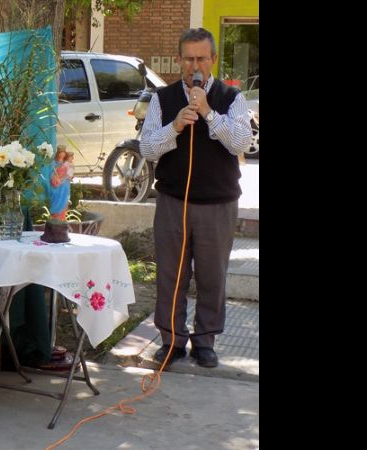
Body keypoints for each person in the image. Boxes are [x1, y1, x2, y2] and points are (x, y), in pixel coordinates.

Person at [139, 28, 251, 368]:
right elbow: (146, 147)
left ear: (213, 60)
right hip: (173, 202)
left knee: (211, 275)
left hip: (218, 204)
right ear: (179, 60)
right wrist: (174, 127)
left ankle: (205, 341)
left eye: (202, 58)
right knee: (171, 274)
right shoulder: (162, 98)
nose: (195, 65)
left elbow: (242, 143)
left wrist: (208, 114)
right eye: (188, 58)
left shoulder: (232, 99)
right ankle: (171, 340)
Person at [48, 146, 71, 221]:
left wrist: (63, 179)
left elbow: (69, 174)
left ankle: (61, 217)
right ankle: (54, 215)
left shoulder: (66, 163)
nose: (61, 155)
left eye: (63, 153)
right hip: (56, 185)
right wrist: (54, 177)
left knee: (64, 200)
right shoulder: (53, 163)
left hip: (64, 185)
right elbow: (51, 172)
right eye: (60, 153)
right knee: (55, 198)